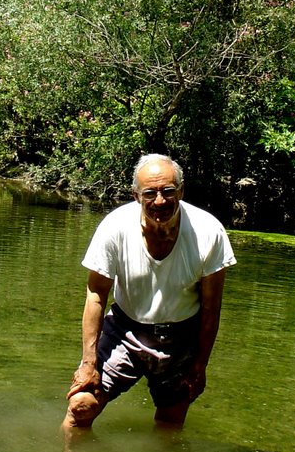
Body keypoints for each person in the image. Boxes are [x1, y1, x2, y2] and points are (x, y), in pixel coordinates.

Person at [62, 153, 236, 431]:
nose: (160, 201)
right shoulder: (115, 227)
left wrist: (200, 364)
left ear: (181, 191)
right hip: (124, 330)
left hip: (181, 337)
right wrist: (88, 363)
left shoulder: (208, 231)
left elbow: (211, 307)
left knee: (170, 424)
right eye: (150, 193)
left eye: (168, 191)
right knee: (81, 406)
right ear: (135, 195)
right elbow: (96, 295)